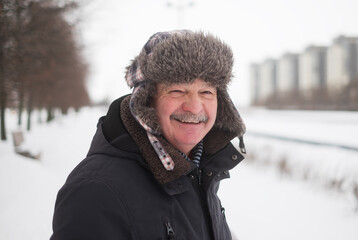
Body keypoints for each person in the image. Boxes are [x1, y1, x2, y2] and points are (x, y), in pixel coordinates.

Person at [50, 30, 246, 240]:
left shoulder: (198, 170)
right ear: (146, 100)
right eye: (177, 91)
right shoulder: (96, 191)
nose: (195, 107)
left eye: (206, 92)